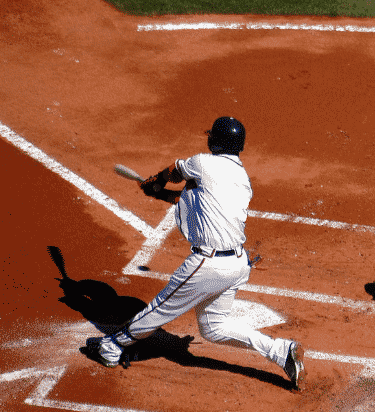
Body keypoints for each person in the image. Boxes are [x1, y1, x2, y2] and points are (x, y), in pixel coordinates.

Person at [83, 117, 305, 390]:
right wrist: (157, 193)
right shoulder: (241, 178)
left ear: (216, 140)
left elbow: (175, 170)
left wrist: (155, 181)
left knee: (161, 308)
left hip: (209, 264)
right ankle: (281, 351)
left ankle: (112, 347)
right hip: (237, 264)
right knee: (214, 328)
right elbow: (193, 202)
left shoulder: (203, 163)